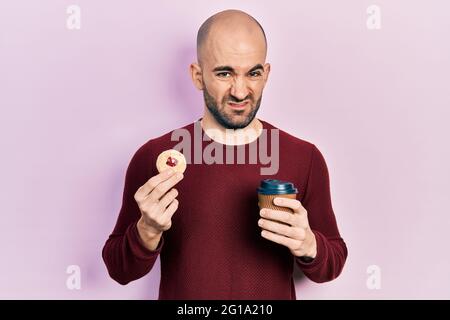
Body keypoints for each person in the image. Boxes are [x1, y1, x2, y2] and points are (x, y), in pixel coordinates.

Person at [102, 9, 347, 300]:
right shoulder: (157, 157)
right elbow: (119, 269)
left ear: (266, 75)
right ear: (198, 75)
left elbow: (332, 262)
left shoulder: (304, 157)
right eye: (224, 73)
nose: (240, 92)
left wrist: (309, 245)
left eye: (253, 73)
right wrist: (147, 230)